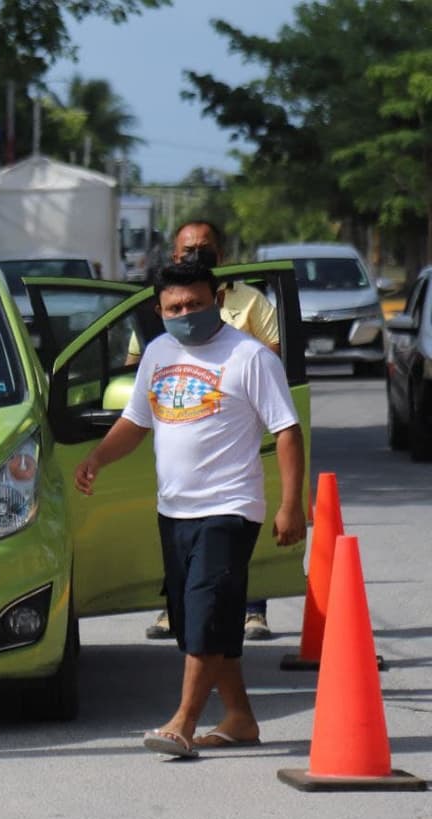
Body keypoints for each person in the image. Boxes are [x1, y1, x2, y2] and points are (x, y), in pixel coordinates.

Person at [75, 261, 304, 756]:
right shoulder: (158, 353)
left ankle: (183, 722)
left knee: (204, 613)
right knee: (195, 618)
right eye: (175, 307)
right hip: (174, 511)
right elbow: (136, 421)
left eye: (196, 304)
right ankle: (240, 717)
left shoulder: (250, 357)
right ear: (159, 311)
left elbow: (287, 430)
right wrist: (97, 457)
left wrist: (291, 505)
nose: (186, 314)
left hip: (230, 507)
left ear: (216, 300)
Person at [131, 220, 281, 641]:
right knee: (195, 604)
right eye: (188, 250)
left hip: (232, 465)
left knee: (216, 591)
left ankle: (251, 610)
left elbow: (274, 361)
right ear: (175, 257)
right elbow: (134, 370)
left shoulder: (249, 306)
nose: (197, 255)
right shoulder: (160, 330)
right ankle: (232, 702)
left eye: (205, 248)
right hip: (177, 476)